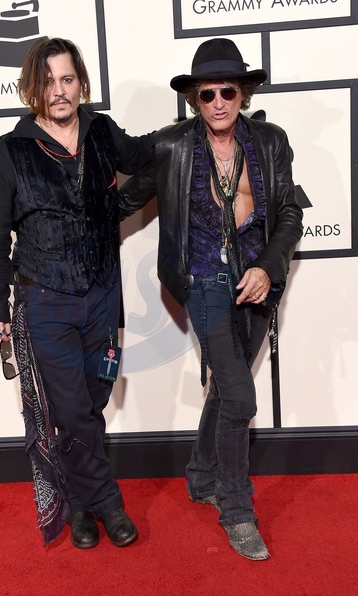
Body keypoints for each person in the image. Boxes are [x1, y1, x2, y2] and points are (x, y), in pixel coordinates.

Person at [118, 38, 303, 560]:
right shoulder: (172, 147)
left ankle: (201, 476)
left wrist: (267, 267)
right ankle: (237, 510)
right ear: (193, 99)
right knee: (241, 398)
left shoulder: (270, 141)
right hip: (203, 280)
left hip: (257, 281)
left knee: (225, 387)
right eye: (207, 94)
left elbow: (290, 214)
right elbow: (121, 203)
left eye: (228, 91)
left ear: (243, 93)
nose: (218, 102)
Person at [0, 37, 154, 549]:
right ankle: (108, 503)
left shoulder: (101, 132)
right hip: (46, 300)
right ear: (33, 88)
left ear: (81, 84)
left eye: (67, 79)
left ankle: (78, 503)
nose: (59, 90)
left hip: (102, 296)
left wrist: (198, 128)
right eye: (48, 81)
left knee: (94, 399)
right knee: (72, 410)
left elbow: (149, 157)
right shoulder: (11, 151)